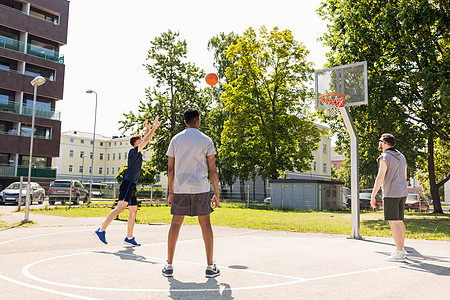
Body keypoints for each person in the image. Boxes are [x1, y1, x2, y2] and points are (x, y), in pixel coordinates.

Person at [162, 108, 220, 278]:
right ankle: (210, 267)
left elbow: (171, 170)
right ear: (198, 120)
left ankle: (169, 265)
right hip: (201, 187)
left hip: (181, 188)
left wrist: (171, 192)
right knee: (205, 225)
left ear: (185, 122)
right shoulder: (206, 140)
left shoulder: (176, 139)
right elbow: (213, 170)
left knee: (175, 224)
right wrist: (216, 193)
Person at [95, 117, 161, 246]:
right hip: (128, 184)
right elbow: (147, 140)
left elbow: (146, 139)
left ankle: (129, 237)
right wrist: (154, 127)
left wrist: (148, 129)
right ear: (136, 143)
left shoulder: (137, 152)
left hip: (132, 185)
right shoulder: (133, 151)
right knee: (120, 208)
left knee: (133, 210)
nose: (143, 141)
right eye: (140, 140)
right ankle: (101, 230)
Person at [371, 133, 408, 262]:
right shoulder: (401, 156)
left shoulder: (384, 157)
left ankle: (399, 252)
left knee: (393, 222)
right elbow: (405, 175)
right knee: (399, 221)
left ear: (384, 143)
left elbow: (380, 177)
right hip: (402, 192)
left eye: (380, 141)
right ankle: (402, 249)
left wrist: (373, 195)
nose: (379, 143)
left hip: (391, 192)